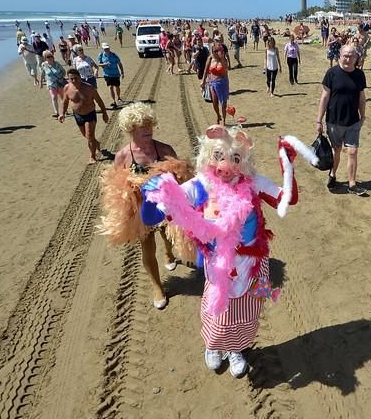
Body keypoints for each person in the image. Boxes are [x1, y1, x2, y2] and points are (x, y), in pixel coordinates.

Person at [140, 125, 313, 378]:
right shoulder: (199, 186)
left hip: (253, 264)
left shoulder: (252, 183)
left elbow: (287, 198)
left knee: (249, 309)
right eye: (219, 156)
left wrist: (286, 163)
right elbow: (153, 216)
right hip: (219, 265)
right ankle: (213, 346)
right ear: (209, 156)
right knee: (217, 310)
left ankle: (237, 349)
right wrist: (151, 194)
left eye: (234, 158)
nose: (227, 165)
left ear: (243, 160)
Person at [111, 103, 180, 309]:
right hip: (142, 211)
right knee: (147, 248)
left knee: (169, 239)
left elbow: (181, 177)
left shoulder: (165, 149)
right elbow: (116, 188)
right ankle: (157, 286)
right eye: (141, 126)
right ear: (130, 129)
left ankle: (169, 253)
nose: (147, 129)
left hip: (165, 207)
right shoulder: (123, 156)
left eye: (149, 124)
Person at [315, 44, 367, 196]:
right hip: (334, 120)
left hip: (353, 120)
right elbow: (324, 97)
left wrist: (362, 115)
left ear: (356, 58)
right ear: (340, 56)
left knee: (352, 151)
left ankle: (352, 183)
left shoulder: (359, 75)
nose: (348, 58)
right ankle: (332, 174)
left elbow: (362, 98)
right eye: (345, 55)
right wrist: (319, 120)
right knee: (336, 150)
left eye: (351, 56)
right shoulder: (332, 73)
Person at [58, 69, 109, 163]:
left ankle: (92, 156)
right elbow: (65, 101)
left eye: (75, 78)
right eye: (71, 79)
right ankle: (96, 142)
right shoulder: (67, 88)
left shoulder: (89, 88)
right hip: (78, 115)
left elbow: (99, 101)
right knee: (86, 136)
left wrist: (104, 114)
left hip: (90, 114)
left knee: (89, 136)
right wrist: (62, 113)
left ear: (80, 77)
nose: (73, 81)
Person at [201, 39, 230, 124]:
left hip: (223, 82)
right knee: (214, 102)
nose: (216, 52)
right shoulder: (210, 58)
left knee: (223, 103)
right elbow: (206, 70)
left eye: (218, 50)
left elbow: (226, 68)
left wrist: (221, 58)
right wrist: (203, 80)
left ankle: (224, 121)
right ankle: (218, 115)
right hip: (212, 83)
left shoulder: (223, 60)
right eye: (214, 51)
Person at [97, 43, 125, 108]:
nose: (107, 49)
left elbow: (119, 64)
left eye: (107, 48)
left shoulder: (114, 55)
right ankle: (114, 100)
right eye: (105, 49)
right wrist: (104, 65)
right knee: (110, 87)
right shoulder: (101, 55)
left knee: (117, 86)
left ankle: (118, 97)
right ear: (103, 49)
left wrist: (122, 72)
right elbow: (99, 64)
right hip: (107, 74)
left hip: (115, 74)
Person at [40, 50, 67, 118]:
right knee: (54, 97)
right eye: (48, 57)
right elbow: (43, 73)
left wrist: (61, 78)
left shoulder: (57, 64)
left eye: (51, 56)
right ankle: (56, 112)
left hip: (59, 83)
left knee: (62, 97)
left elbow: (64, 72)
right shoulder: (43, 65)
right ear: (45, 58)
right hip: (51, 84)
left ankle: (65, 110)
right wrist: (41, 82)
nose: (50, 58)